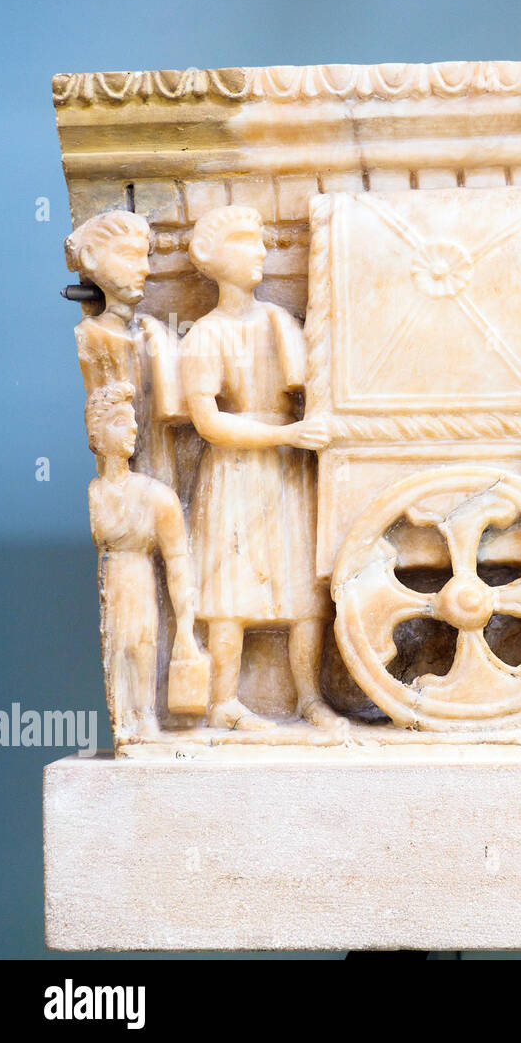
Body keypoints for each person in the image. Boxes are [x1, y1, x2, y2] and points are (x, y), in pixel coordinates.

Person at [180, 205, 342, 731]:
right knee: (230, 590)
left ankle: (309, 697)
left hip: (285, 467)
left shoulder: (276, 320)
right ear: (210, 257)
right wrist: (283, 435)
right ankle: (224, 701)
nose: (260, 252)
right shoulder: (203, 335)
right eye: (246, 241)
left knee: (301, 590)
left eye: (262, 242)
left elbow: (310, 388)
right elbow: (206, 422)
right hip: (235, 470)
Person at [86, 382, 200, 740]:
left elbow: (179, 564)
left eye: (134, 420)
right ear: (97, 436)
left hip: (139, 583)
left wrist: (185, 629)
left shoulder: (157, 498)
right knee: (117, 649)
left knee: (141, 644)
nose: (134, 428)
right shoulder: (96, 492)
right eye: (121, 421)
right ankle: (126, 721)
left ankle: (146, 715)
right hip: (113, 583)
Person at [65, 211, 175, 483]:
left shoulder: (154, 332)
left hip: (165, 467)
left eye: (145, 258)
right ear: (90, 258)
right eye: (128, 255)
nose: (145, 269)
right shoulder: (92, 336)